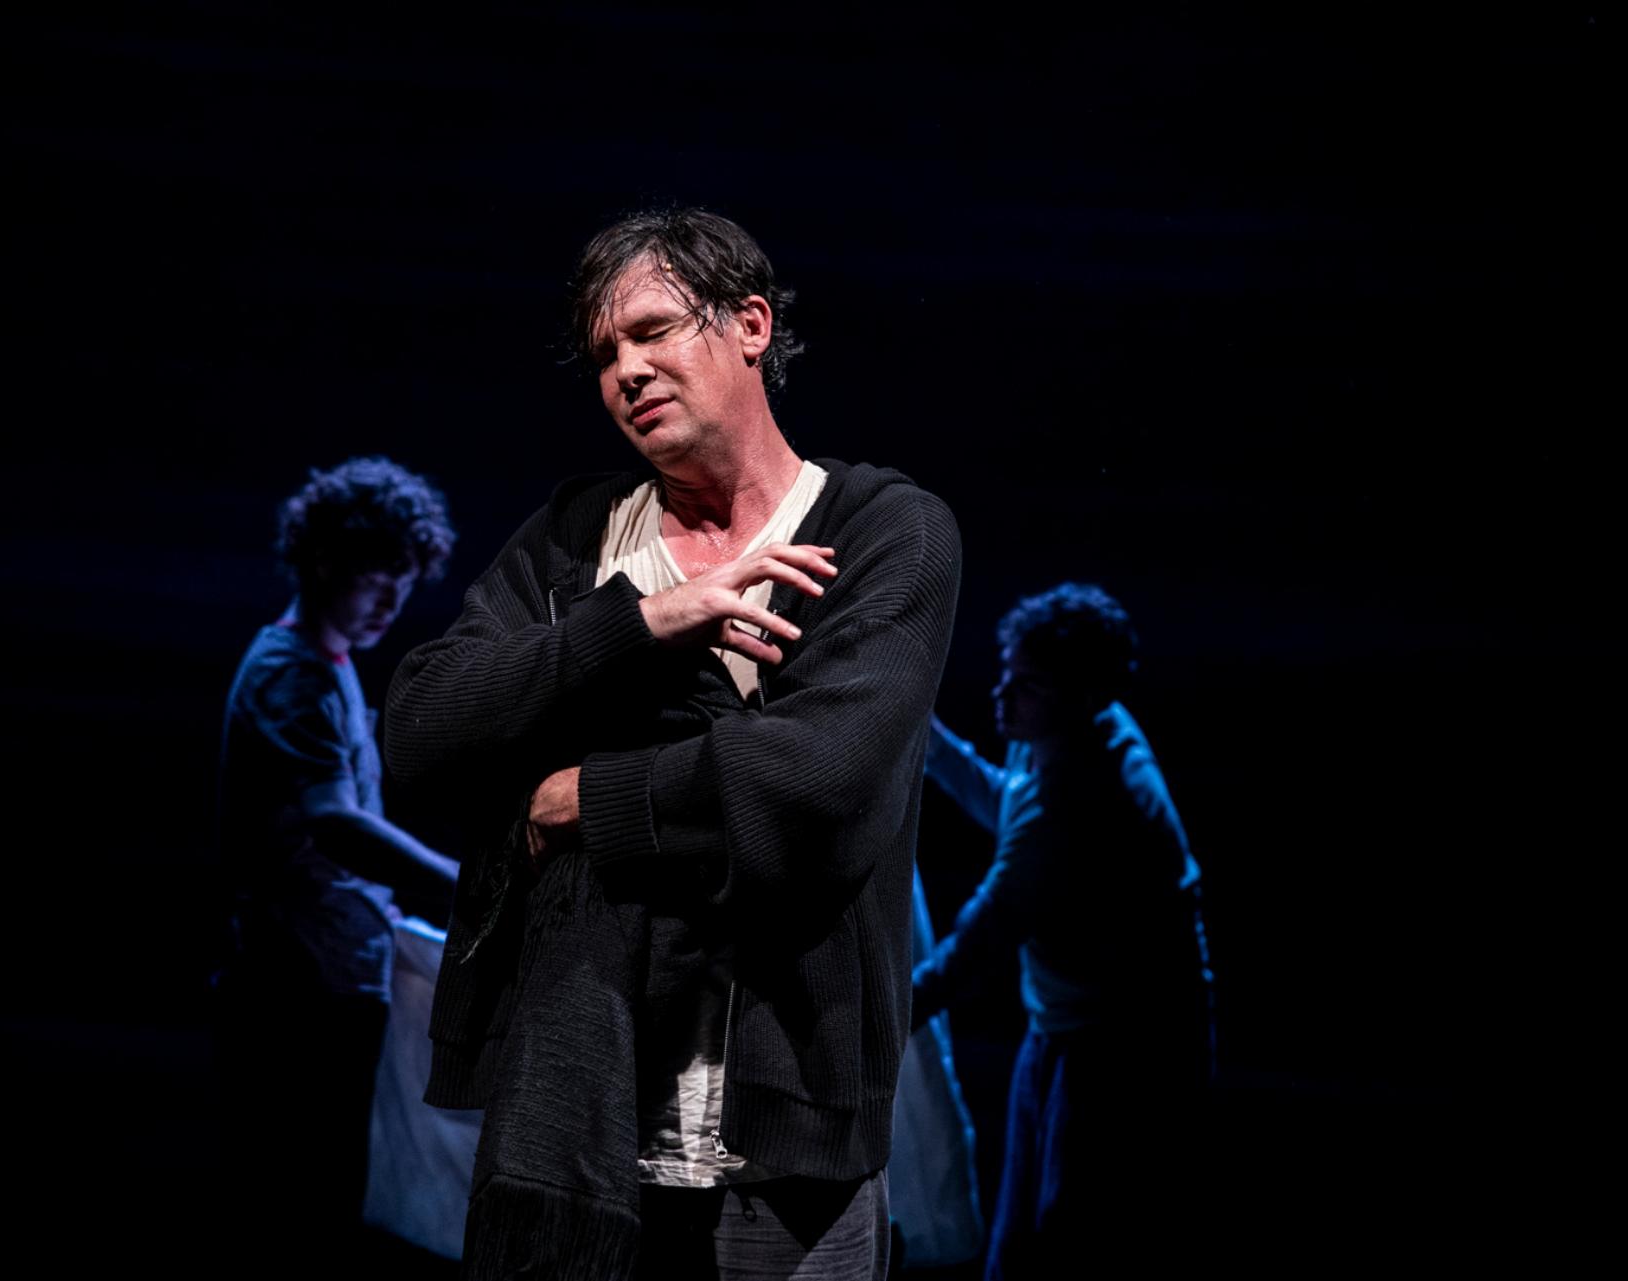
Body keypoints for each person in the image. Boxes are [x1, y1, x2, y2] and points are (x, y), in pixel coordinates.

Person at [384, 208, 962, 1280]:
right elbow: (420, 731)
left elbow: (816, 786)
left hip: (785, 1141)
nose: (628, 372)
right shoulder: (577, 542)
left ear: (751, 325)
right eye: (606, 354)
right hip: (577, 1133)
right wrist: (641, 621)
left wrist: (578, 801)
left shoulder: (881, 530)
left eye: (653, 331)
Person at [915, 582, 1215, 1278]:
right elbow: (1012, 806)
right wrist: (927, 742)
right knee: (1028, 1227)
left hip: (1127, 1049)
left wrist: (881, 1019)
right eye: (1008, 673)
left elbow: (978, 941)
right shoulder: (1073, 731)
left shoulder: (1081, 795)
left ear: (1080, 696)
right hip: (1068, 1027)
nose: (1002, 695)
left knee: (1071, 1239)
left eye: (1028, 686)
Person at [213, 456, 461, 1226]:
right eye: (376, 577)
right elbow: (336, 823)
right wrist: (464, 881)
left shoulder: (331, 666)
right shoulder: (291, 676)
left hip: (333, 975)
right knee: (304, 1194)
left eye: (403, 581)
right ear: (324, 560)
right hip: (296, 986)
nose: (392, 599)